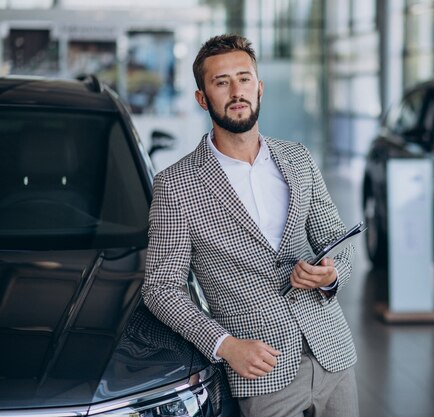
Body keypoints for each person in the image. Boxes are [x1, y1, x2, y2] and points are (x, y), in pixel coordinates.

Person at [141, 33, 358, 417]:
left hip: (332, 353)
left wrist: (331, 274)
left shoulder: (299, 158)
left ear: (259, 88)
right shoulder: (176, 184)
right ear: (202, 98)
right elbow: (161, 288)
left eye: (244, 78)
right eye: (221, 82)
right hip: (260, 368)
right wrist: (224, 345)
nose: (236, 91)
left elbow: (338, 240)